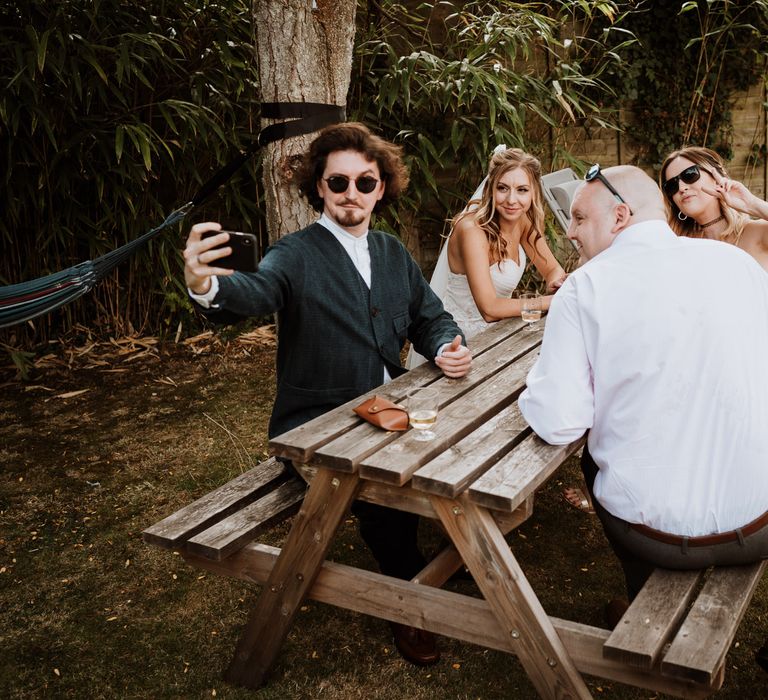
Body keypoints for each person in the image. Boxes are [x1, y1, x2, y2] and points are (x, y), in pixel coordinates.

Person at [182, 122, 472, 666]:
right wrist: (208, 284)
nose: (351, 194)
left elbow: (430, 315)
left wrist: (446, 346)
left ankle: (441, 560)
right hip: (318, 425)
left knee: (462, 456)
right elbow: (255, 289)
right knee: (391, 495)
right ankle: (408, 599)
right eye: (338, 182)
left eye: (365, 183)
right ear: (319, 187)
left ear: (381, 188)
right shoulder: (294, 254)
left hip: (393, 407)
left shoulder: (390, 250)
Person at [517, 165, 768, 649]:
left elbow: (560, 423)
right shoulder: (734, 262)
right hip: (761, 519)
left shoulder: (584, 287)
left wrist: (537, 386)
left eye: (577, 218)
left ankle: (637, 598)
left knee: (593, 460)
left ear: (619, 216)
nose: (568, 232)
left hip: (658, 538)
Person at [407, 147, 566, 367]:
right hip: (462, 342)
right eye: (503, 188)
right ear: (490, 188)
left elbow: (552, 270)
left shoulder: (522, 222)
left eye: (522, 190)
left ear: (534, 193)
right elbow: (489, 309)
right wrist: (551, 301)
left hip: (502, 335)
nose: (512, 200)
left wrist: (557, 283)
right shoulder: (471, 229)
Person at [660, 145, 768, 270]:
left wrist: (751, 204)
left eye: (689, 175)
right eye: (671, 185)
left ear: (717, 178)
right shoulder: (678, 248)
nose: (681, 188)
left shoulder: (756, 233)